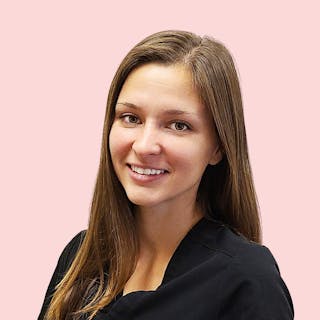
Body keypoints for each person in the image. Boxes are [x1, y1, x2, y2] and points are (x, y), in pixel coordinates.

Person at [38, 30, 294, 320]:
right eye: (131, 118)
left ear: (218, 147)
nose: (145, 145)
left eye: (178, 125)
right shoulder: (81, 258)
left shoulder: (247, 280)